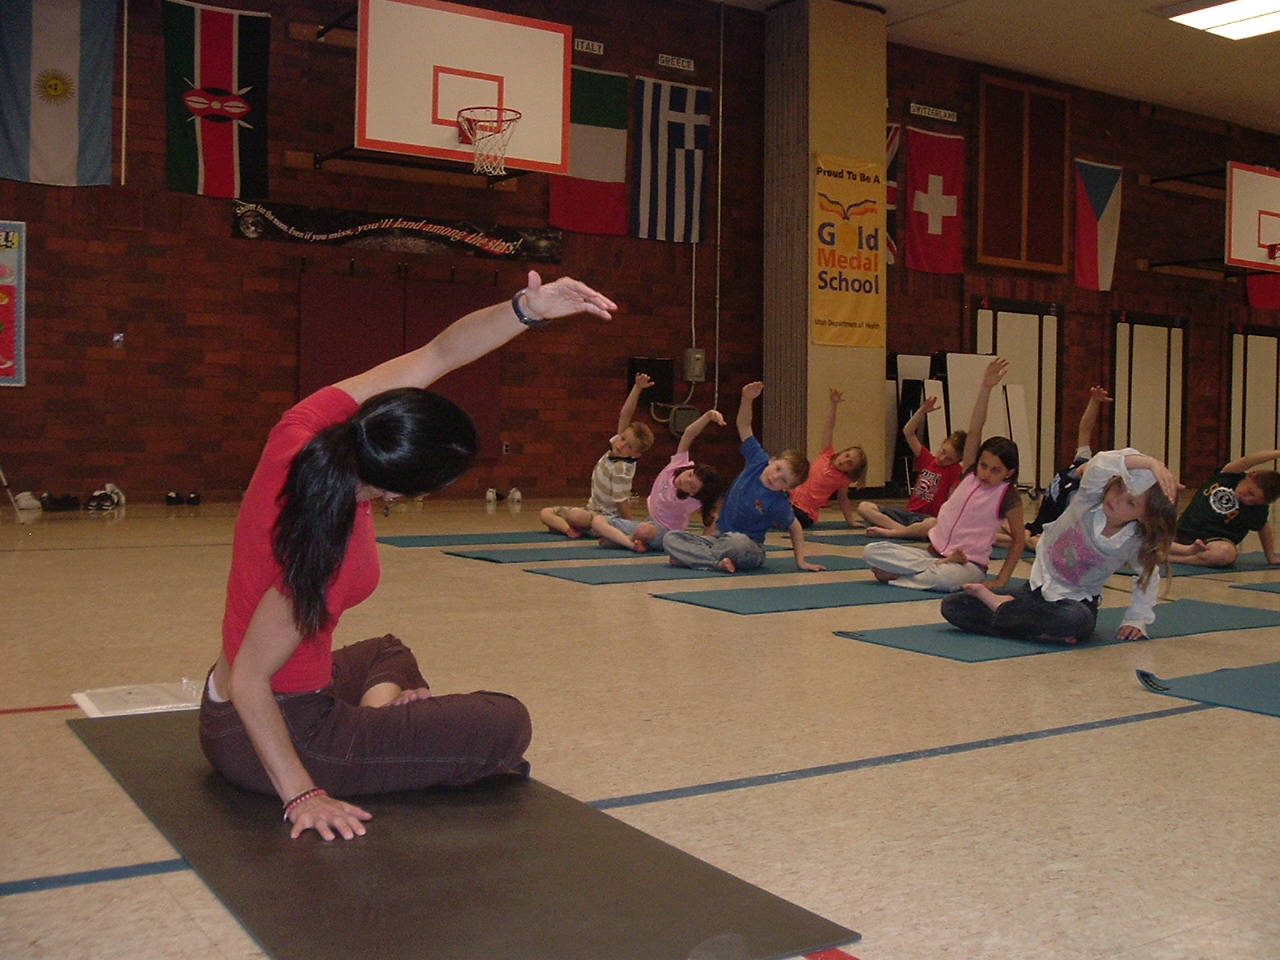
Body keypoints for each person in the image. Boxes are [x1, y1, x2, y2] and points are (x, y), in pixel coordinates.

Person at [198, 271, 617, 841]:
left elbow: (439, 353)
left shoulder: (304, 429)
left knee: (387, 651)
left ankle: (375, 725)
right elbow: (252, 679)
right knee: (503, 721)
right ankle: (366, 736)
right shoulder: (326, 547)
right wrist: (303, 795)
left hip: (234, 701)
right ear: (399, 492)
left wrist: (527, 309)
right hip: (274, 732)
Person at [940, 448, 1179, 644]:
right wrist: (1150, 463)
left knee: (1076, 621)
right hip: (1033, 591)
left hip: (1073, 602)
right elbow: (1100, 464)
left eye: (1130, 502)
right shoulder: (1088, 500)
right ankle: (1035, 630)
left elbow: (1148, 575)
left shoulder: (1133, 540)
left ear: (1143, 516)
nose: (1116, 499)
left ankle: (1011, 615)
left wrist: (1137, 618)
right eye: (1118, 488)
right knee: (954, 606)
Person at [862, 358, 1025, 591]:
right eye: (983, 465)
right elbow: (975, 429)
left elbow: (1018, 540)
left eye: (996, 470)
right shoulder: (970, 473)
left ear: (1010, 472)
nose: (986, 473)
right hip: (932, 555)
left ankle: (899, 576)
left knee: (945, 579)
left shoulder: (1008, 495)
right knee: (872, 551)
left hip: (968, 564)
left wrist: (1001, 580)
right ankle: (929, 568)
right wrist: (986, 388)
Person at [662, 381, 825, 574]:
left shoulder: (778, 503)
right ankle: (713, 562)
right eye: (778, 468)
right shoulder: (758, 461)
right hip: (718, 538)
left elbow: (795, 528)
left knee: (736, 542)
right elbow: (744, 425)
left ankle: (695, 558)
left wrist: (801, 561)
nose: (775, 477)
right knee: (671, 538)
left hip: (749, 547)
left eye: (783, 480)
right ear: (772, 460)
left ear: (787, 488)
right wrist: (747, 399)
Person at [590, 407, 725, 552]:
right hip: (649, 522)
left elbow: (711, 520)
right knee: (598, 520)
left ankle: (629, 540)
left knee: (643, 530)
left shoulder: (691, 500)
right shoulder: (678, 464)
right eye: (690, 474)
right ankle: (630, 541)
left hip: (665, 532)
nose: (685, 480)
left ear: (694, 494)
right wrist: (707, 416)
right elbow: (688, 434)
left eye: (691, 486)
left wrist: (704, 545)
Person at [538, 373, 656, 538]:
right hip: (590, 511)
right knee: (545, 513)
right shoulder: (617, 448)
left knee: (576, 516)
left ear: (636, 454)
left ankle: (584, 527)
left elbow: (621, 503)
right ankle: (569, 530)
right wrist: (637, 388)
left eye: (628, 446)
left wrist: (631, 526)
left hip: (606, 519)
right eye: (622, 438)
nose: (621, 444)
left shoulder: (622, 468)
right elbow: (625, 415)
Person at [999, 385, 1112, 550]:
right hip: (1036, 525)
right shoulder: (1081, 462)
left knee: (1005, 539)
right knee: (996, 531)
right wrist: (1094, 402)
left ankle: (1027, 541)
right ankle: (1024, 538)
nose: (1088, 468)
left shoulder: (1079, 493)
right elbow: (1085, 428)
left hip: (1048, 535)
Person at [857, 395, 965, 537]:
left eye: (949, 459)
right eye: (943, 451)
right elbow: (908, 432)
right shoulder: (928, 459)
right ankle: (902, 531)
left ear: (957, 461)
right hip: (907, 514)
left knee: (931, 524)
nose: (942, 458)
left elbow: (951, 502)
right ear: (943, 442)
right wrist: (921, 411)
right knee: (864, 507)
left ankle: (896, 533)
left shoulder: (955, 470)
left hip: (927, 519)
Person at [1168, 449, 1280, 567]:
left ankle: (1176, 558)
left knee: (1225, 554)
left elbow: (1263, 528)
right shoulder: (1229, 475)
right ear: (1252, 475)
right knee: (1155, 536)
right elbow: (1249, 460)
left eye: (1254, 502)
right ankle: (1183, 551)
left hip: (1211, 543)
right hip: (1181, 534)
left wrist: (1271, 557)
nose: (1247, 500)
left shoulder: (1258, 510)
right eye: (1250, 493)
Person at [788, 388, 868, 528]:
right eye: (847, 456)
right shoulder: (826, 454)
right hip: (791, 498)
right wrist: (833, 405)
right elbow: (829, 428)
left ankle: (775, 516)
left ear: (851, 471)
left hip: (805, 512)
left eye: (850, 464)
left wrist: (851, 521)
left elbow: (843, 499)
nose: (844, 461)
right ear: (843, 452)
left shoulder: (843, 480)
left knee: (791, 516)